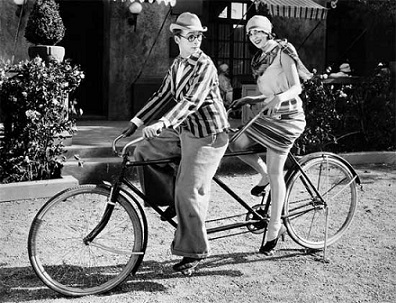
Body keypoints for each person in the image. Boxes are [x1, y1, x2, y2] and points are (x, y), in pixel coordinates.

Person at [123, 12, 229, 274]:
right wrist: (137, 121)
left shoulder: (205, 66)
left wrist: (161, 124)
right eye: (191, 37)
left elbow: (190, 102)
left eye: (199, 36)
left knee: (189, 191)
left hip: (208, 135)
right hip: (184, 130)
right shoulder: (178, 65)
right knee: (143, 150)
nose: (196, 41)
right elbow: (163, 95)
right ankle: (173, 200)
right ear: (178, 38)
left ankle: (194, 253)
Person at [229, 15, 307, 255]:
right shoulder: (259, 58)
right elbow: (269, 92)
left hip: (288, 118)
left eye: (258, 32)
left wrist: (279, 98)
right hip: (268, 116)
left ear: (268, 31)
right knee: (235, 143)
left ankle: (275, 226)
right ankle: (261, 175)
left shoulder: (283, 50)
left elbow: (296, 87)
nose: (254, 37)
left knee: (277, 172)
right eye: (250, 33)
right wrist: (252, 99)